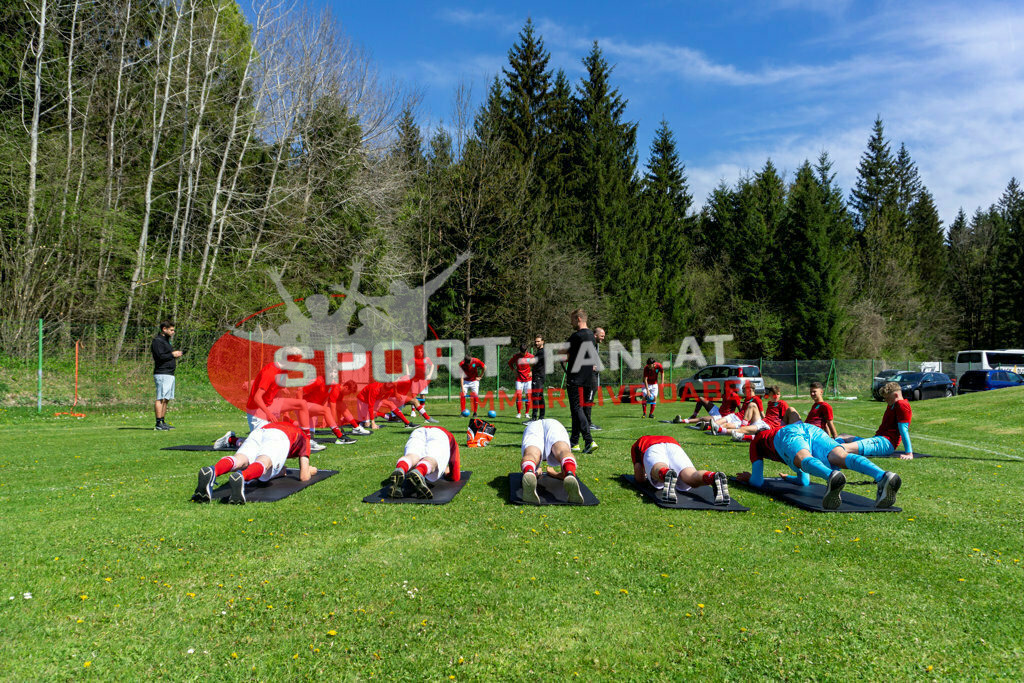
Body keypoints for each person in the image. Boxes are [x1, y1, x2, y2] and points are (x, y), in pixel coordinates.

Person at [737, 422, 901, 510]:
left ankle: (831, 476)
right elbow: (804, 481)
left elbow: (758, 482)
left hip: (787, 434)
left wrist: (748, 479)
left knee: (804, 458)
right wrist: (791, 478)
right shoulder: (775, 435)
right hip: (809, 428)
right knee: (840, 456)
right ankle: (882, 475)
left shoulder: (757, 443)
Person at [193, 421, 317, 505]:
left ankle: (214, 470)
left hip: (260, 432)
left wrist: (282, 470)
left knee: (240, 459)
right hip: (280, 437)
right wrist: (311, 470)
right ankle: (242, 476)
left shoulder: (280, 423)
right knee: (264, 462)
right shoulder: (304, 438)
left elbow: (281, 470)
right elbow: (304, 476)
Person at [245, 360, 323, 451]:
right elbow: (257, 397)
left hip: (270, 405)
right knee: (263, 443)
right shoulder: (270, 371)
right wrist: (269, 414)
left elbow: (277, 392)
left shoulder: (283, 371)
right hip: (257, 411)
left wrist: (285, 414)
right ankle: (231, 440)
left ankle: (306, 440)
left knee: (302, 404)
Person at [630, 435, 730, 504]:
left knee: (659, 467)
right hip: (673, 445)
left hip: (651, 446)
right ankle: (712, 477)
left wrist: (644, 477)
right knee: (690, 476)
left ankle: (665, 473)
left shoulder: (638, 443)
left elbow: (639, 474)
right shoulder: (668, 438)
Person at [836, 381, 914, 459]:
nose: (885, 400)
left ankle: (831, 453)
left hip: (885, 444)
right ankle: (833, 453)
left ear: (896, 395)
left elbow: (904, 429)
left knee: (841, 447)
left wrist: (909, 453)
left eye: (887, 398)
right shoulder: (892, 404)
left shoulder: (902, 405)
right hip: (877, 440)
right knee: (842, 436)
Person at [385, 425, 461, 499]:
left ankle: (401, 467)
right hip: (440, 435)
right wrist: (448, 474)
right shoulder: (452, 440)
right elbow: (455, 471)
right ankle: (420, 471)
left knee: (412, 456)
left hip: (418, 431)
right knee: (432, 459)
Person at [519, 418, 583, 504]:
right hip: (554, 424)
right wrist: (554, 474)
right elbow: (564, 475)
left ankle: (529, 470)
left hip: (533, 427)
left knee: (531, 454)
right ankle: (570, 472)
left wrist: (537, 473)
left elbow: (529, 478)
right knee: (563, 451)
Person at [564, 309, 598, 454]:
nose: (571, 322)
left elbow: (562, 352)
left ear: (578, 319)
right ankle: (574, 442)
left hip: (575, 378)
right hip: (588, 379)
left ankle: (589, 440)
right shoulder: (591, 336)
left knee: (577, 409)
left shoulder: (576, 336)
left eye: (572, 319)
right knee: (577, 410)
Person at [301, 376, 356, 444]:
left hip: (313, 406)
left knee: (311, 429)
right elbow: (300, 390)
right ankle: (340, 436)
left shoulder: (332, 385)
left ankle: (292, 424)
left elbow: (326, 399)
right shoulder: (318, 381)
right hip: (304, 405)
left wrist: (325, 417)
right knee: (326, 410)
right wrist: (300, 406)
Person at [151, 320, 183, 430]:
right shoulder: (157, 341)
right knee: (160, 397)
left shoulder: (166, 341)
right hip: (162, 373)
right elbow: (160, 356)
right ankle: (158, 423)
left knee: (166, 398)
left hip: (169, 373)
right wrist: (172, 354)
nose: (173, 332)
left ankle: (163, 421)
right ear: (164, 329)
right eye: (171, 330)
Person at [507, 343, 535, 419]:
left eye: (524, 352)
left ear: (526, 350)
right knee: (519, 396)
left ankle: (527, 413)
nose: (523, 353)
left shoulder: (531, 356)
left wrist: (532, 372)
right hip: (519, 379)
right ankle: (519, 413)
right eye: (522, 352)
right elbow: (510, 363)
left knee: (528, 396)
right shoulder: (516, 356)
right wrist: (513, 370)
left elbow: (537, 365)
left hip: (528, 380)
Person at [589, 327, 606, 431]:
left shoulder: (594, 345)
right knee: (588, 400)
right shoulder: (590, 344)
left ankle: (586, 422)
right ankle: (587, 423)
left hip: (593, 376)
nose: (603, 338)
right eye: (602, 336)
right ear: (595, 335)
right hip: (590, 377)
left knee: (589, 400)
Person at [530, 335, 547, 421]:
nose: (536, 343)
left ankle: (534, 418)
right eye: (536, 341)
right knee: (540, 396)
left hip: (538, 376)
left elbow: (532, 362)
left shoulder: (541, 352)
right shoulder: (540, 351)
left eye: (538, 341)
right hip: (540, 376)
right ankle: (541, 417)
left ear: (542, 341)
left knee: (536, 396)